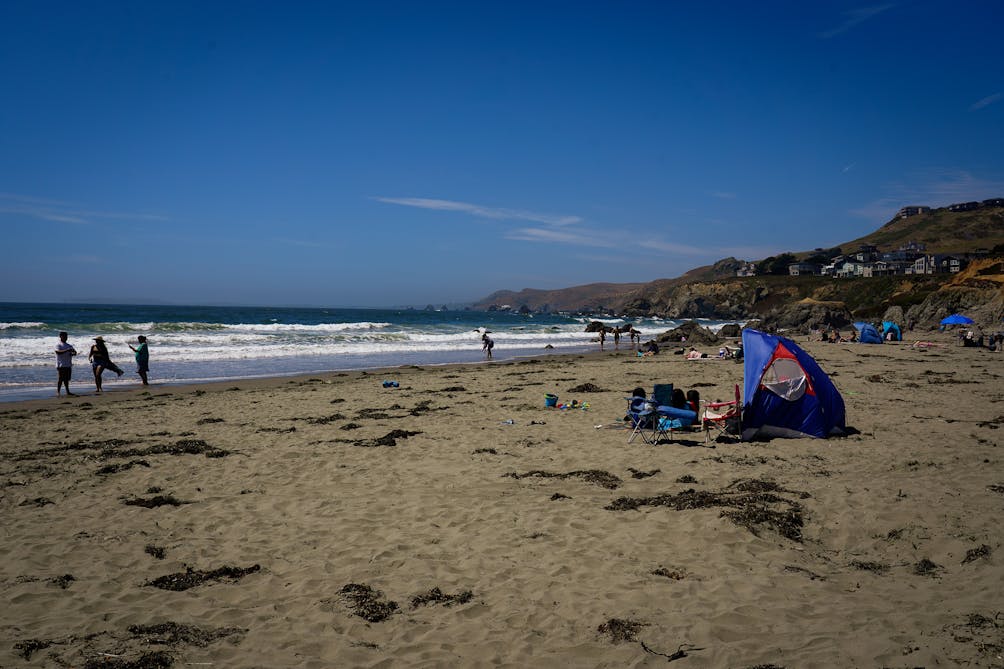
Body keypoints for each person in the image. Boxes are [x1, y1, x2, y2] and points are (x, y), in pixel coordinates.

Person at [54, 331, 77, 396]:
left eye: (66, 336)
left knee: (67, 379)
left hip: (68, 364)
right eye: (64, 336)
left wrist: (73, 353)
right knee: (60, 379)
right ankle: (58, 392)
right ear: (60, 336)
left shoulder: (69, 345)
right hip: (61, 364)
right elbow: (58, 352)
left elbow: (75, 352)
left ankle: (67, 391)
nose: (66, 337)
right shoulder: (58, 345)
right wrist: (67, 350)